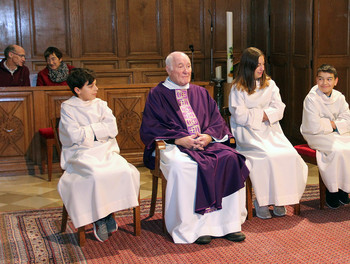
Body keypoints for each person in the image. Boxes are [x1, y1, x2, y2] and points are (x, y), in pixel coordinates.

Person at [140, 51, 249, 245]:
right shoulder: (157, 94)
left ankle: (227, 225)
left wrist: (208, 137)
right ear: (168, 69)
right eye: (180, 66)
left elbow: (216, 121)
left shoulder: (200, 92)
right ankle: (194, 228)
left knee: (231, 159)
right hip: (172, 145)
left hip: (205, 144)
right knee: (183, 167)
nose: (186, 71)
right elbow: (151, 127)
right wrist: (179, 139)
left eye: (188, 66)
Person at [57, 68, 140, 242]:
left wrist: (89, 131)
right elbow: (74, 136)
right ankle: (100, 217)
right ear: (77, 90)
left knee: (126, 171)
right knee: (96, 175)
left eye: (96, 84)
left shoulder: (100, 104)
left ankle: (108, 213)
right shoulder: (68, 108)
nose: (97, 89)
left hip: (106, 150)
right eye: (91, 86)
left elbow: (112, 128)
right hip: (80, 153)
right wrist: (98, 131)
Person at [229, 47, 307, 219]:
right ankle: (262, 201)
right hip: (247, 133)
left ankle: (280, 200)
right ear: (248, 66)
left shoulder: (270, 84)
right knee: (267, 156)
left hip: (271, 131)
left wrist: (262, 114)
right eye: (258, 65)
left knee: (289, 154)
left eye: (263, 64)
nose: (262, 68)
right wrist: (263, 114)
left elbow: (279, 108)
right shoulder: (238, 88)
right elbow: (240, 115)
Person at [301, 64, 350, 209]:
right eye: (321, 79)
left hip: (336, 134)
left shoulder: (339, 97)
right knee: (335, 151)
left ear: (336, 81)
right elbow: (314, 125)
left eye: (329, 79)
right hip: (315, 135)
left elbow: (347, 119)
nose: (325, 83)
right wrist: (336, 124)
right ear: (316, 80)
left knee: (347, 149)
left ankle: (343, 189)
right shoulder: (311, 99)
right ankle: (332, 192)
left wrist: (330, 124)